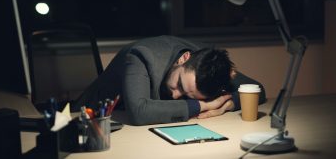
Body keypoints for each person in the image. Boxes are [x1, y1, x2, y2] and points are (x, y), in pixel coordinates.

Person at [73, 35, 266, 125]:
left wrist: (227, 104)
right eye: (180, 85)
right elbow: (139, 112)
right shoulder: (142, 56)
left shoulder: (208, 62)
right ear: (184, 59)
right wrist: (204, 106)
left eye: (190, 96)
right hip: (91, 122)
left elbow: (258, 89)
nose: (175, 96)